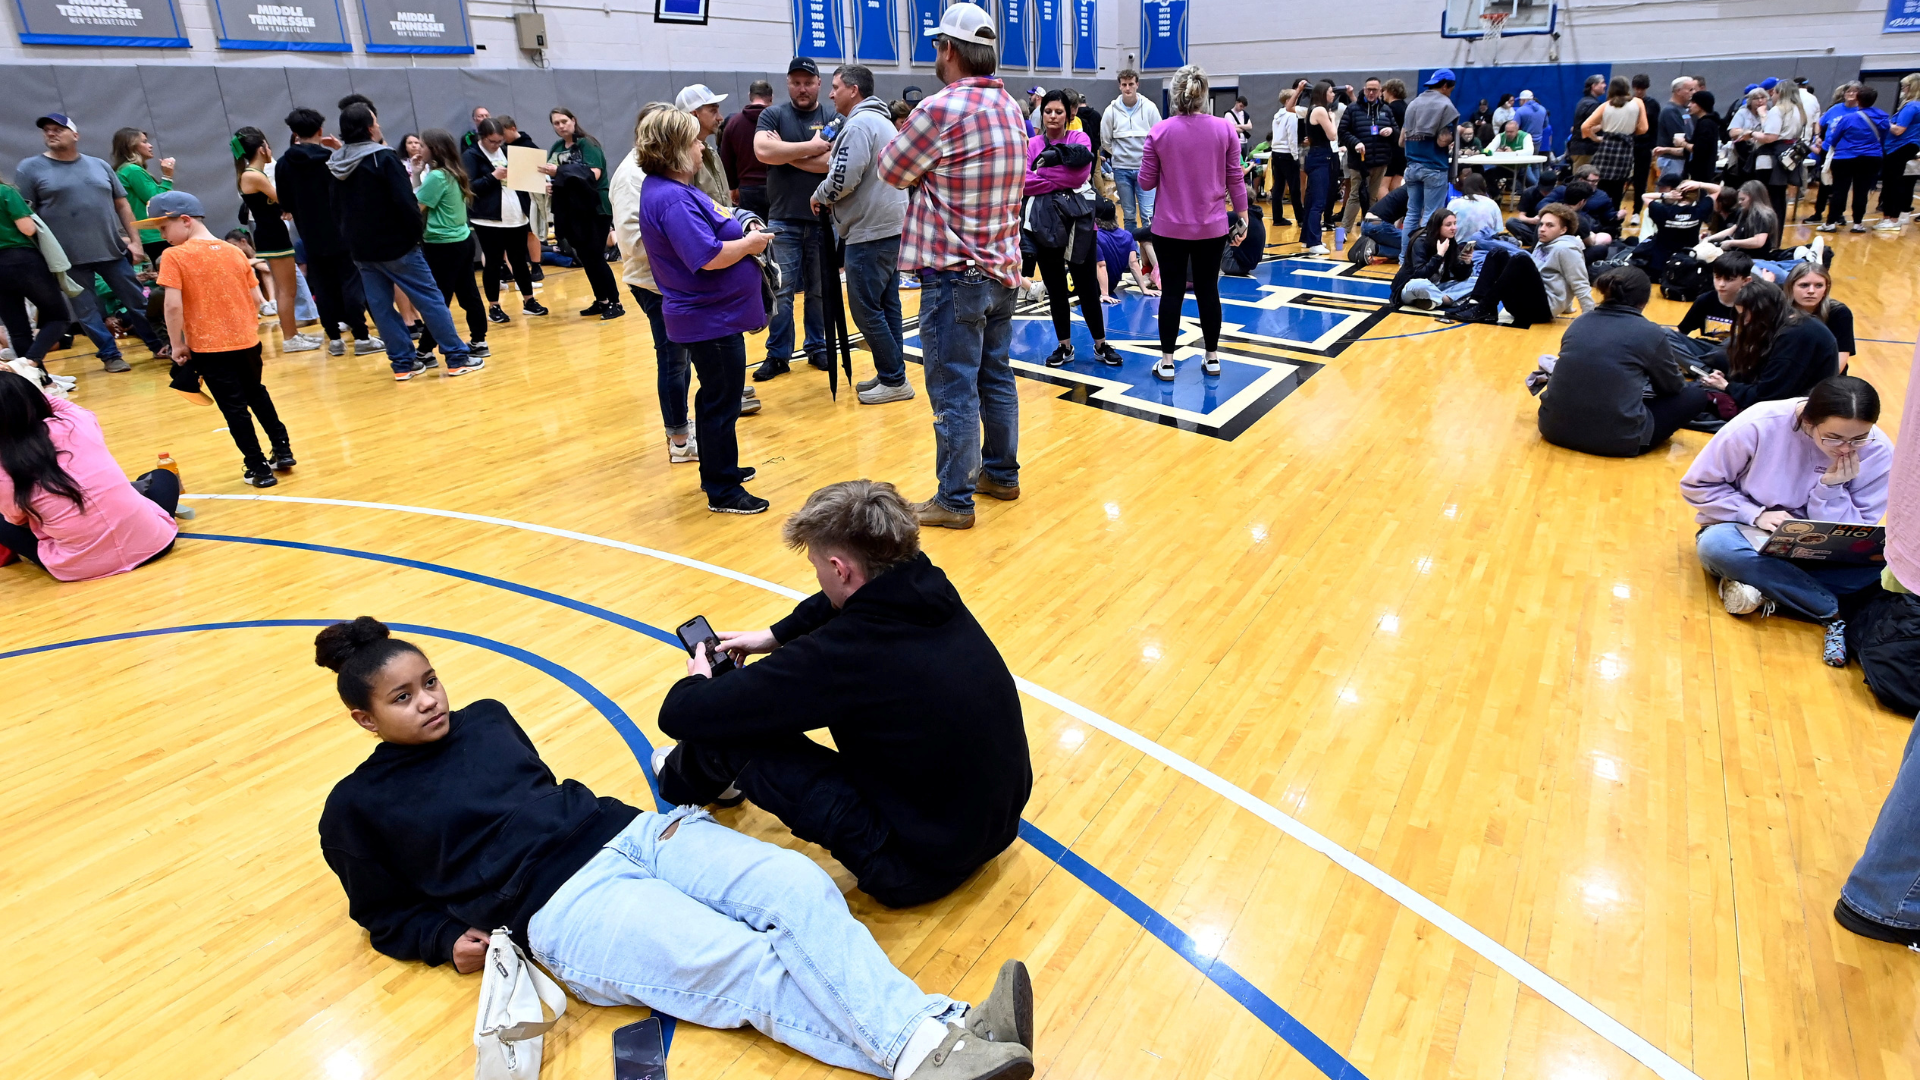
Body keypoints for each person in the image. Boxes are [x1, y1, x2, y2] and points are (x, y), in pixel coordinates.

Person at [311, 615, 1038, 1080]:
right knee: (747, 964)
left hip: (633, 833)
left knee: (797, 886)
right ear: (364, 718)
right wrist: (442, 938)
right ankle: (940, 1038)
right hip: (565, 910)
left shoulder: (490, 719)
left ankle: (936, 1044)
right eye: (403, 698)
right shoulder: (355, 807)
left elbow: (538, 795)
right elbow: (382, 914)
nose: (430, 700)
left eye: (430, 681)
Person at [656, 478, 1031, 904]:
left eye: (818, 567)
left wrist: (699, 680)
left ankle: (678, 785)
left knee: (725, 727)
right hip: (987, 829)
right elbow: (836, 602)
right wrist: (773, 636)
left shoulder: (847, 653)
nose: (818, 577)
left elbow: (680, 712)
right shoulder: (927, 585)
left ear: (839, 569)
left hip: (915, 867)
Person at [875, 3, 1025, 532]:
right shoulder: (1011, 108)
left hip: (955, 271)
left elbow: (892, 169)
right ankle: (1001, 474)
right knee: (996, 377)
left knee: (953, 387)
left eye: (938, 46)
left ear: (950, 51)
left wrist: (926, 174)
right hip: (1001, 266)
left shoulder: (940, 110)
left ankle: (954, 500)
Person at [1681, 376, 1889, 666]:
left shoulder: (1878, 451)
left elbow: (1860, 531)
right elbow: (1698, 484)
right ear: (1807, 421)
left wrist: (1829, 491)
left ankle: (1768, 591)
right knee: (1717, 546)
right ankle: (1834, 612)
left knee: (1892, 561)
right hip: (1748, 533)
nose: (1846, 449)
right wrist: (1754, 514)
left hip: (1822, 552)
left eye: (1858, 439)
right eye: (1834, 438)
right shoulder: (1759, 423)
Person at [636, 107, 771, 516]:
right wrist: (750, 246)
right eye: (694, 141)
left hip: (713, 315)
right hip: (708, 318)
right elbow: (706, 257)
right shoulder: (672, 198)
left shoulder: (671, 188)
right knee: (720, 399)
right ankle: (722, 490)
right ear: (676, 148)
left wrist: (742, 231)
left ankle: (720, 467)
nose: (701, 147)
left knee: (717, 396)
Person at [141, 190, 295, 487]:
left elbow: (172, 305)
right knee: (257, 394)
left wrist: (177, 344)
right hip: (247, 341)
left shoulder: (174, 256)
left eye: (163, 227)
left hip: (209, 347)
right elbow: (256, 298)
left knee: (234, 407)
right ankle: (283, 450)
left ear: (185, 220)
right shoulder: (234, 251)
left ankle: (258, 468)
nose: (162, 235)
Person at [327, 101, 478, 380]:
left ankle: (402, 365)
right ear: (370, 127)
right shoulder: (383, 157)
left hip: (361, 249)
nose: (380, 126)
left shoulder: (336, 162)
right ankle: (457, 358)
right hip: (398, 245)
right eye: (376, 121)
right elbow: (406, 203)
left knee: (382, 307)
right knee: (431, 299)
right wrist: (414, 237)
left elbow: (334, 208)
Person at [17, 113, 165, 372]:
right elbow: (26, 216)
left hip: (112, 251)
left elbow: (123, 205)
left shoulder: (99, 165)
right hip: (67, 258)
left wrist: (135, 242)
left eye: (58, 129)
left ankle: (158, 346)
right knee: (86, 311)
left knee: (138, 302)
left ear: (75, 135)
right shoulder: (29, 169)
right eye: (47, 130)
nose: (51, 133)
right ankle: (110, 355)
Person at [0, 369, 177, 578]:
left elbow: (17, 519)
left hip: (79, 568)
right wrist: (20, 388)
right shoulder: (76, 422)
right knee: (164, 477)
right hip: (156, 545)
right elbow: (59, 404)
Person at [812, 64, 913, 404]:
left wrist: (820, 194)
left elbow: (843, 178)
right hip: (891, 226)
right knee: (887, 304)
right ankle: (891, 374)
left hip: (869, 231)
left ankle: (896, 379)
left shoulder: (858, 126)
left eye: (836, 86)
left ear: (854, 90)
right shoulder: (884, 122)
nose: (830, 93)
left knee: (865, 309)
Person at [1141, 65, 1248, 381]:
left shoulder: (1159, 131)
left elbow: (1146, 183)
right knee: (1208, 291)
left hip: (1168, 229)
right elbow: (1235, 178)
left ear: (1174, 95)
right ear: (1204, 95)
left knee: (1171, 293)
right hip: (1212, 227)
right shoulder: (1224, 128)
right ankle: (1212, 357)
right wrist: (1242, 217)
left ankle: (1168, 362)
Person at [1538, 266, 1712, 456]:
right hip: (1618, 441)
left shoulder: (1580, 321)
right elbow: (1672, 388)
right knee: (1696, 395)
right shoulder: (1650, 332)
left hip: (1551, 428)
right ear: (1644, 301)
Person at [1022, 89, 1119, 370]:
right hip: (1045, 224)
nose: (1053, 116)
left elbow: (1080, 174)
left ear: (1068, 114)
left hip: (1079, 223)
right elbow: (1024, 182)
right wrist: (1059, 179)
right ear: (1042, 114)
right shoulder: (1033, 144)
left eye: (1059, 111)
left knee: (1087, 286)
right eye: (1048, 111)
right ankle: (1064, 346)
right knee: (1055, 288)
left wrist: (1044, 175)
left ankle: (1101, 344)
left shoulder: (1079, 138)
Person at [279, 108, 384, 358]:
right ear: (320, 131)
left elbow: (285, 203)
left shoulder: (284, 163)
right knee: (350, 283)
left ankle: (335, 339)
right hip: (341, 229)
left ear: (294, 133)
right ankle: (361, 336)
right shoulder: (330, 158)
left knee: (323, 287)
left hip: (310, 233)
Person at [753, 57, 833, 381]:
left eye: (808, 82)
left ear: (818, 84)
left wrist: (786, 154)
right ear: (788, 83)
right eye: (796, 82)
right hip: (783, 218)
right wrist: (811, 147)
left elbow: (833, 162)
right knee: (781, 291)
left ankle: (817, 347)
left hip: (823, 219)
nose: (802, 88)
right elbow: (762, 151)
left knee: (818, 291)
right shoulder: (773, 114)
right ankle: (778, 355)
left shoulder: (832, 116)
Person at [232, 127, 319, 353]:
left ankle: (294, 334)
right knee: (286, 289)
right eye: (268, 145)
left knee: (287, 288)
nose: (270, 149)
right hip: (271, 234)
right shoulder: (253, 175)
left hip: (274, 232)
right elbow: (283, 199)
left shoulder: (254, 174)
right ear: (261, 149)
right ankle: (290, 338)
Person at [1694, 279, 1837, 411]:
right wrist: (1729, 378)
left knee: (1693, 402)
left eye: (1747, 318)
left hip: (1798, 410)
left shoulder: (1796, 337)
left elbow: (1768, 398)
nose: (1744, 323)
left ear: (1763, 313)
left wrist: (1727, 386)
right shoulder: (1786, 320)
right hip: (1780, 398)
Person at [409, 130, 490, 364]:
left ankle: (425, 351)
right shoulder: (454, 172)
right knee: (468, 294)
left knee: (437, 300)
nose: (418, 150)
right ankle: (479, 341)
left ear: (434, 149)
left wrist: (415, 177)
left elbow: (417, 207)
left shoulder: (437, 177)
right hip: (462, 241)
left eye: (422, 146)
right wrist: (416, 174)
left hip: (442, 245)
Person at [1444, 202, 1591, 328]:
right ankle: (1475, 303)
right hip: (1524, 304)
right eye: (1541, 224)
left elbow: (1579, 283)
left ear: (1563, 230)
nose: (1542, 228)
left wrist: (1590, 321)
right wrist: (1567, 307)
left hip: (1540, 311)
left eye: (1550, 225)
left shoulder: (1567, 249)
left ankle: (1485, 307)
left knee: (1521, 259)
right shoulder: (1543, 243)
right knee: (1498, 252)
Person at [463, 117, 549, 324]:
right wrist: (493, 176)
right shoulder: (471, 156)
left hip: (515, 215)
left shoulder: (508, 152)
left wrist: (539, 185)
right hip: (488, 219)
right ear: (482, 138)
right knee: (493, 262)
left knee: (519, 259)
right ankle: (494, 306)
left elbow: (522, 178)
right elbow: (470, 187)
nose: (497, 145)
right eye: (492, 141)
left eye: (500, 141)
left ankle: (529, 301)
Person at [541, 108, 622, 319]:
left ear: (573, 120)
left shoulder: (588, 144)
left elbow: (592, 175)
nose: (561, 126)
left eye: (564, 121)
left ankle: (615, 302)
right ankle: (601, 300)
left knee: (595, 255)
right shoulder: (557, 147)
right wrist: (552, 186)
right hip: (571, 210)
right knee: (585, 257)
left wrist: (559, 173)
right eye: (556, 123)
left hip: (595, 207)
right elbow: (559, 180)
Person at [0, 175, 71, 370]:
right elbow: (28, 229)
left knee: (18, 331)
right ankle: (31, 361)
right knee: (59, 317)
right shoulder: (6, 192)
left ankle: (42, 382)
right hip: (21, 260)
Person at [1398, 70, 1460, 264]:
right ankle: (1421, 259)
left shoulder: (1413, 104)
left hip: (1412, 166)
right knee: (1431, 217)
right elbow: (1442, 142)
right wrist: (1454, 135)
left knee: (1411, 214)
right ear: (1445, 85)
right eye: (1451, 88)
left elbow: (1401, 141)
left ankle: (1403, 259)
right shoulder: (1445, 105)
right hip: (1433, 167)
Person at [1666, 251, 1751, 368]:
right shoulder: (1705, 300)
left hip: (1733, 354)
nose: (1721, 284)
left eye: (1729, 279)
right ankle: (1705, 370)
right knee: (1664, 334)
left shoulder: (1751, 304)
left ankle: (1697, 368)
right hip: (1705, 350)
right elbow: (1682, 331)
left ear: (1746, 281)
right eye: (1717, 277)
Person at [1820, 85, 1888, 232]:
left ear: (1858, 98)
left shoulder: (1848, 118)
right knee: (1862, 191)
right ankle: (1858, 223)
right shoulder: (1883, 117)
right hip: (1871, 157)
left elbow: (1834, 138)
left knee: (1839, 190)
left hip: (1845, 157)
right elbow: (1883, 138)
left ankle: (1830, 223)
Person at [1102, 68, 1162, 230]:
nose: (1127, 88)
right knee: (1128, 214)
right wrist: (1121, 155)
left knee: (1148, 214)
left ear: (1137, 85)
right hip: (1121, 170)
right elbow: (1105, 141)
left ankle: (1151, 253)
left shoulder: (1150, 108)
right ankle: (1133, 253)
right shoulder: (1111, 111)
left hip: (1146, 169)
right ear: (1119, 87)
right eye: (1124, 85)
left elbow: (1159, 137)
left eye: (1131, 84)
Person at [1580, 77, 1649, 207]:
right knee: (1618, 186)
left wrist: (1595, 138)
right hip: (1625, 147)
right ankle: (1614, 217)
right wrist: (1631, 132)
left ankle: (1599, 215)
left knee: (1602, 184)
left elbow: (1585, 127)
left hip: (1606, 146)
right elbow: (1644, 128)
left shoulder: (1605, 106)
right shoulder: (1638, 102)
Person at [1338, 77, 1394, 233]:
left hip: (1380, 161)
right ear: (1363, 89)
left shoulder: (1386, 109)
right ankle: (1344, 230)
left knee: (1372, 197)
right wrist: (1355, 142)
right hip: (1359, 161)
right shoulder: (1353, 109)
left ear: (1380, 91)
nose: (1370, 92)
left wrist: (1391, 131)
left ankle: (1368, 230)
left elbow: (1396, 132)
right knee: (1355, 195)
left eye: (1374, 90)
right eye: (1368, 89)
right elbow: (1342, 132)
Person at [110, 128, 173, 265]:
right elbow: (158, 201)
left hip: (150, 235)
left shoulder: (126, 170)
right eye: (144, 142)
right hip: (154, 235)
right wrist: (167, 176)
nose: (150, 145)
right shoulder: (132, 170)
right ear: (131, 146)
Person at [1391, 205, 1471, 309]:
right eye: (1448, 225)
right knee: (1420, 284)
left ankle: (1431, 300)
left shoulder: (1450, 241)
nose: (1454, 228)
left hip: (1436, 286)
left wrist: (1466, 262)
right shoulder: (1421, 241)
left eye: (1455, 223)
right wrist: (1439, 255)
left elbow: (1460, 276)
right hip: (1411, 287)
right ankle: (1447, 300)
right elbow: (1419, 274)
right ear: (1438, 227)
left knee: (1475, 280)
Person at [1634, 173, 1715, 274]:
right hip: (1686, 265)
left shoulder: (1663, 210)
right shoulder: (1698, 211)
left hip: (1659, 265)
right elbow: (1717, 190)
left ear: (1677, 192)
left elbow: (1645, 196)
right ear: (1695, 196)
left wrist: (1666, 195)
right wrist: (1699, 184)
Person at [1782, 261, 1854, 374]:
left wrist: (1818, 388)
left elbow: (1841, 357)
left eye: (1819, 285)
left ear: (1826, 289)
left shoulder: (1839, 313)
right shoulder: (1778, 310)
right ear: (1791, 287)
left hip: (1826, 379)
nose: (1811, 291)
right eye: (1804, 285)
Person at [1755, 80, 1809, 225]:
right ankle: (1776, 236)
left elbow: (1770, 136)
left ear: (1780, 93)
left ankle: (1768, 233)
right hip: (1789, 154)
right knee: (1779, 197)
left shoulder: (1778, 110)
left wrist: (1751, 133)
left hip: (1775, 156)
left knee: (1769, 197)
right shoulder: (1799, 110)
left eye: (1774, 92)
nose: (1771, 95)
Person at [1299, 79, 1340, 256]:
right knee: (1318, 201)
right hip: (1321, 156)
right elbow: (1333, 135)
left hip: (1315, 155)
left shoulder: (1312, 109)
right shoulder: (1321, 110)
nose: (1333, 94)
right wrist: (1332, 118)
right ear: (1323, 93)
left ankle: (1308, 237)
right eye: (1331, 91)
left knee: (1311, 200)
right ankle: (1315, 241)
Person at [721, 81, 775, 218]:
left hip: (747, 189)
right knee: (778, 235)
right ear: (771, 97)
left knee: (753, 232)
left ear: (749, 96)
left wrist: (733, 187)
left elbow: (726, 160)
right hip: (776, 187)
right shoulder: (778, 121)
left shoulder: (733, 123)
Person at [1691, 178, 1780, 253]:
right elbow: (1732, 229)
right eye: (1739, 199)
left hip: (1756, 258)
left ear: (1753, 198)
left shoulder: (1762, 215)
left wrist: (1732, 243)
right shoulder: (1745, 212)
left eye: (1743, 199)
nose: (1740, 202)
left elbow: (1758, 241)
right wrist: (1709, 239)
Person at [1877, 73, 1920, 229]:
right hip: (1908, 146)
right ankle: (1894, 217)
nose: (1902, 89)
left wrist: (1885, 123)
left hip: (1899, 146)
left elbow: (1898, 130)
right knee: (1897, 182)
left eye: (1904, 87)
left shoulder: (1911, 106)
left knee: (1891, 183)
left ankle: (1891, 219)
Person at [1093, 198, 1158, 297]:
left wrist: (1105, 294)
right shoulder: (1127, 235)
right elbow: (1133, 264)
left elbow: (1101, 265)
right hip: (1112, 286)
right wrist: (1144, 289)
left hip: (1097, 287)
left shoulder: (1096, 237)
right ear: (1115, 216)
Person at [1267, 88, 1303, 228]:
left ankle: (1277, 218)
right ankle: (1300, 218)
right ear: (1288, 101)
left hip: (1276, 152)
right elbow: (1292, 136)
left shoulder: (1277, 115)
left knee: (1279, 186)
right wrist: (1295, 156)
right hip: (1287, 153)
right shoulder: (1291, 116)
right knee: (1294, 188)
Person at [1650, 77, 1696, 185]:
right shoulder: (1670, 111)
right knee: (1669, 192)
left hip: (1681, 159)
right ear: (1678, 91)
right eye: (1690, 90)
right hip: (1672, 160)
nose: (1693, 93)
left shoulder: (1683, 109)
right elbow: (1678, 138)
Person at [1359, 181, 1410, 261]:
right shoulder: (1414, 193)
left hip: (1367, 223)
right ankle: (1375, 248)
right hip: (1379, 226)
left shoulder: (1404, 190)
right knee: (1414, 246)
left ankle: (1372, 245)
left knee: (1409, 245)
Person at [1446, 170, 1501, 242]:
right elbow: (1497, 231)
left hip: (1458, 246)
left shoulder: (1453, 203)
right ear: (1483, 186)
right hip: (1486, 246)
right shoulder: (1492, 204)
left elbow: (1446, 227)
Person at [1684, 90, 1723, 183]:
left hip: (1701, 174)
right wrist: (1666, 150)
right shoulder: (1703, 122)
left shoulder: (1706, 123)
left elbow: (1699, 149)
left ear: (1701, 105)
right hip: (1699, 172)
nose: (1689, 105)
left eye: (1693, 102)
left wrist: (1682, 143)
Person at [1568, 75, 1606, 166]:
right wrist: (1604, 125)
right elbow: (1587, 129)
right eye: (1602, 83)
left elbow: (1575, 128)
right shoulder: (1593, 105)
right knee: (1582, 178)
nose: (1605, 85)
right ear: (1594, 86)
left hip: (1579, 148)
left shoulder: (1583, 101)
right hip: (1586, 150)